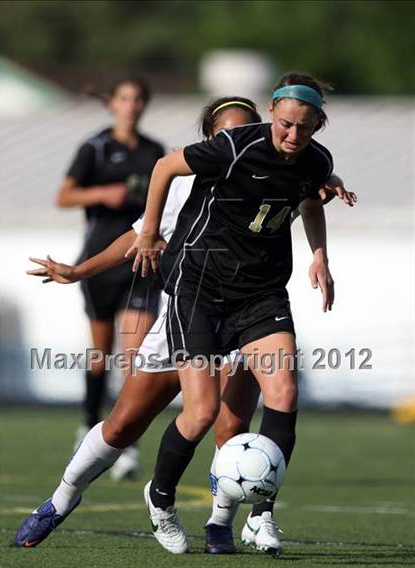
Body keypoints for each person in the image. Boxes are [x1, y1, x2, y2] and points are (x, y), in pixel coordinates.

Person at [17, 94, 356, 554]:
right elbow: (141, 234)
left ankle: (226, 522)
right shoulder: (188, 180)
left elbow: (309, 190)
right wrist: (80, 271)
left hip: (251, 304)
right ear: (212, 140)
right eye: (224, 134)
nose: (235, 139)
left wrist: (323, 223)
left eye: (242, 130)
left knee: (233, 422)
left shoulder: (287, 158)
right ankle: (61, 500)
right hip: (191, 303)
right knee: (124, 426)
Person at [131, 71, 345, 555]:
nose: (293, 137)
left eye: (305, 128)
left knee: (285, 391)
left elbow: (311, 201)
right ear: (272, 111)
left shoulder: (315, 160)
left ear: (317, 126)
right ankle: (160, 497)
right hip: (200, 286)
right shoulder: (233, 147)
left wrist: (319, 256)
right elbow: (165, 167)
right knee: (203, 411)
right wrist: (147, 232)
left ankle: (261, 516)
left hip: (261, 291)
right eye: (286, 124)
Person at [57, 78, 164, 478]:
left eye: (138, 99)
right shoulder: (96, 147)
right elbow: (64, 196)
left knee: (133, 358)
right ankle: (88, 426)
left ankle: (127, 444)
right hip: (100, 261)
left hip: (139, 264)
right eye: (124, 99)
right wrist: (103, 194)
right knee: (100, 354)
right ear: (113, 104)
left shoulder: (155, 152)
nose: (131, 106)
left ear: (144, 105)